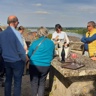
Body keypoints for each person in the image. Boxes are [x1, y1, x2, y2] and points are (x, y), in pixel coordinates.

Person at [0, 15, 26, 96]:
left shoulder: (2, 34)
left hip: (6, 61)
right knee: (17, 83)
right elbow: (21, 50)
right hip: (16, 61)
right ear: (15, 23)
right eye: (18, 22)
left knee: (8, 81)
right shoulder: (17, 34)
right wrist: (24, 59)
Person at [28, 26, 55, 96]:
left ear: (39, 33)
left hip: (35, 65)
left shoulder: (35, 42)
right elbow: (53, 54)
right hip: (46, 65)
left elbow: (29, 54)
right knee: (42, 83)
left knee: (34, 83)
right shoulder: (51, 43)